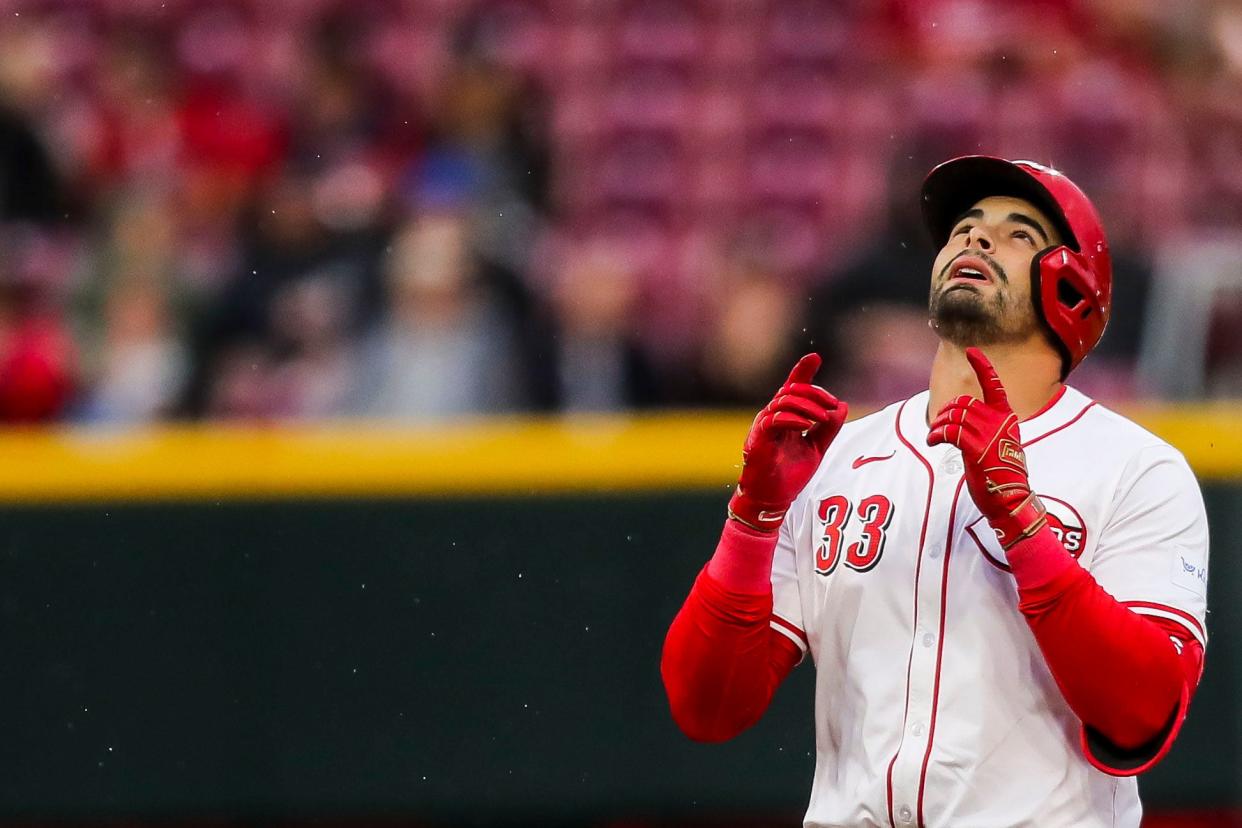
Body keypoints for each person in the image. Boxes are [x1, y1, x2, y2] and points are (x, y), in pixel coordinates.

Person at [661, 156, 1209, 827]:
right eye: (964, 229)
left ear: (1072, 288)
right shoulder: (841, 459)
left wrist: (1024, 531)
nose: (975, 239)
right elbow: (708, 707)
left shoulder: (1135, 468)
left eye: (1017, 234)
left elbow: (1143, 713)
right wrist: (752, 520)